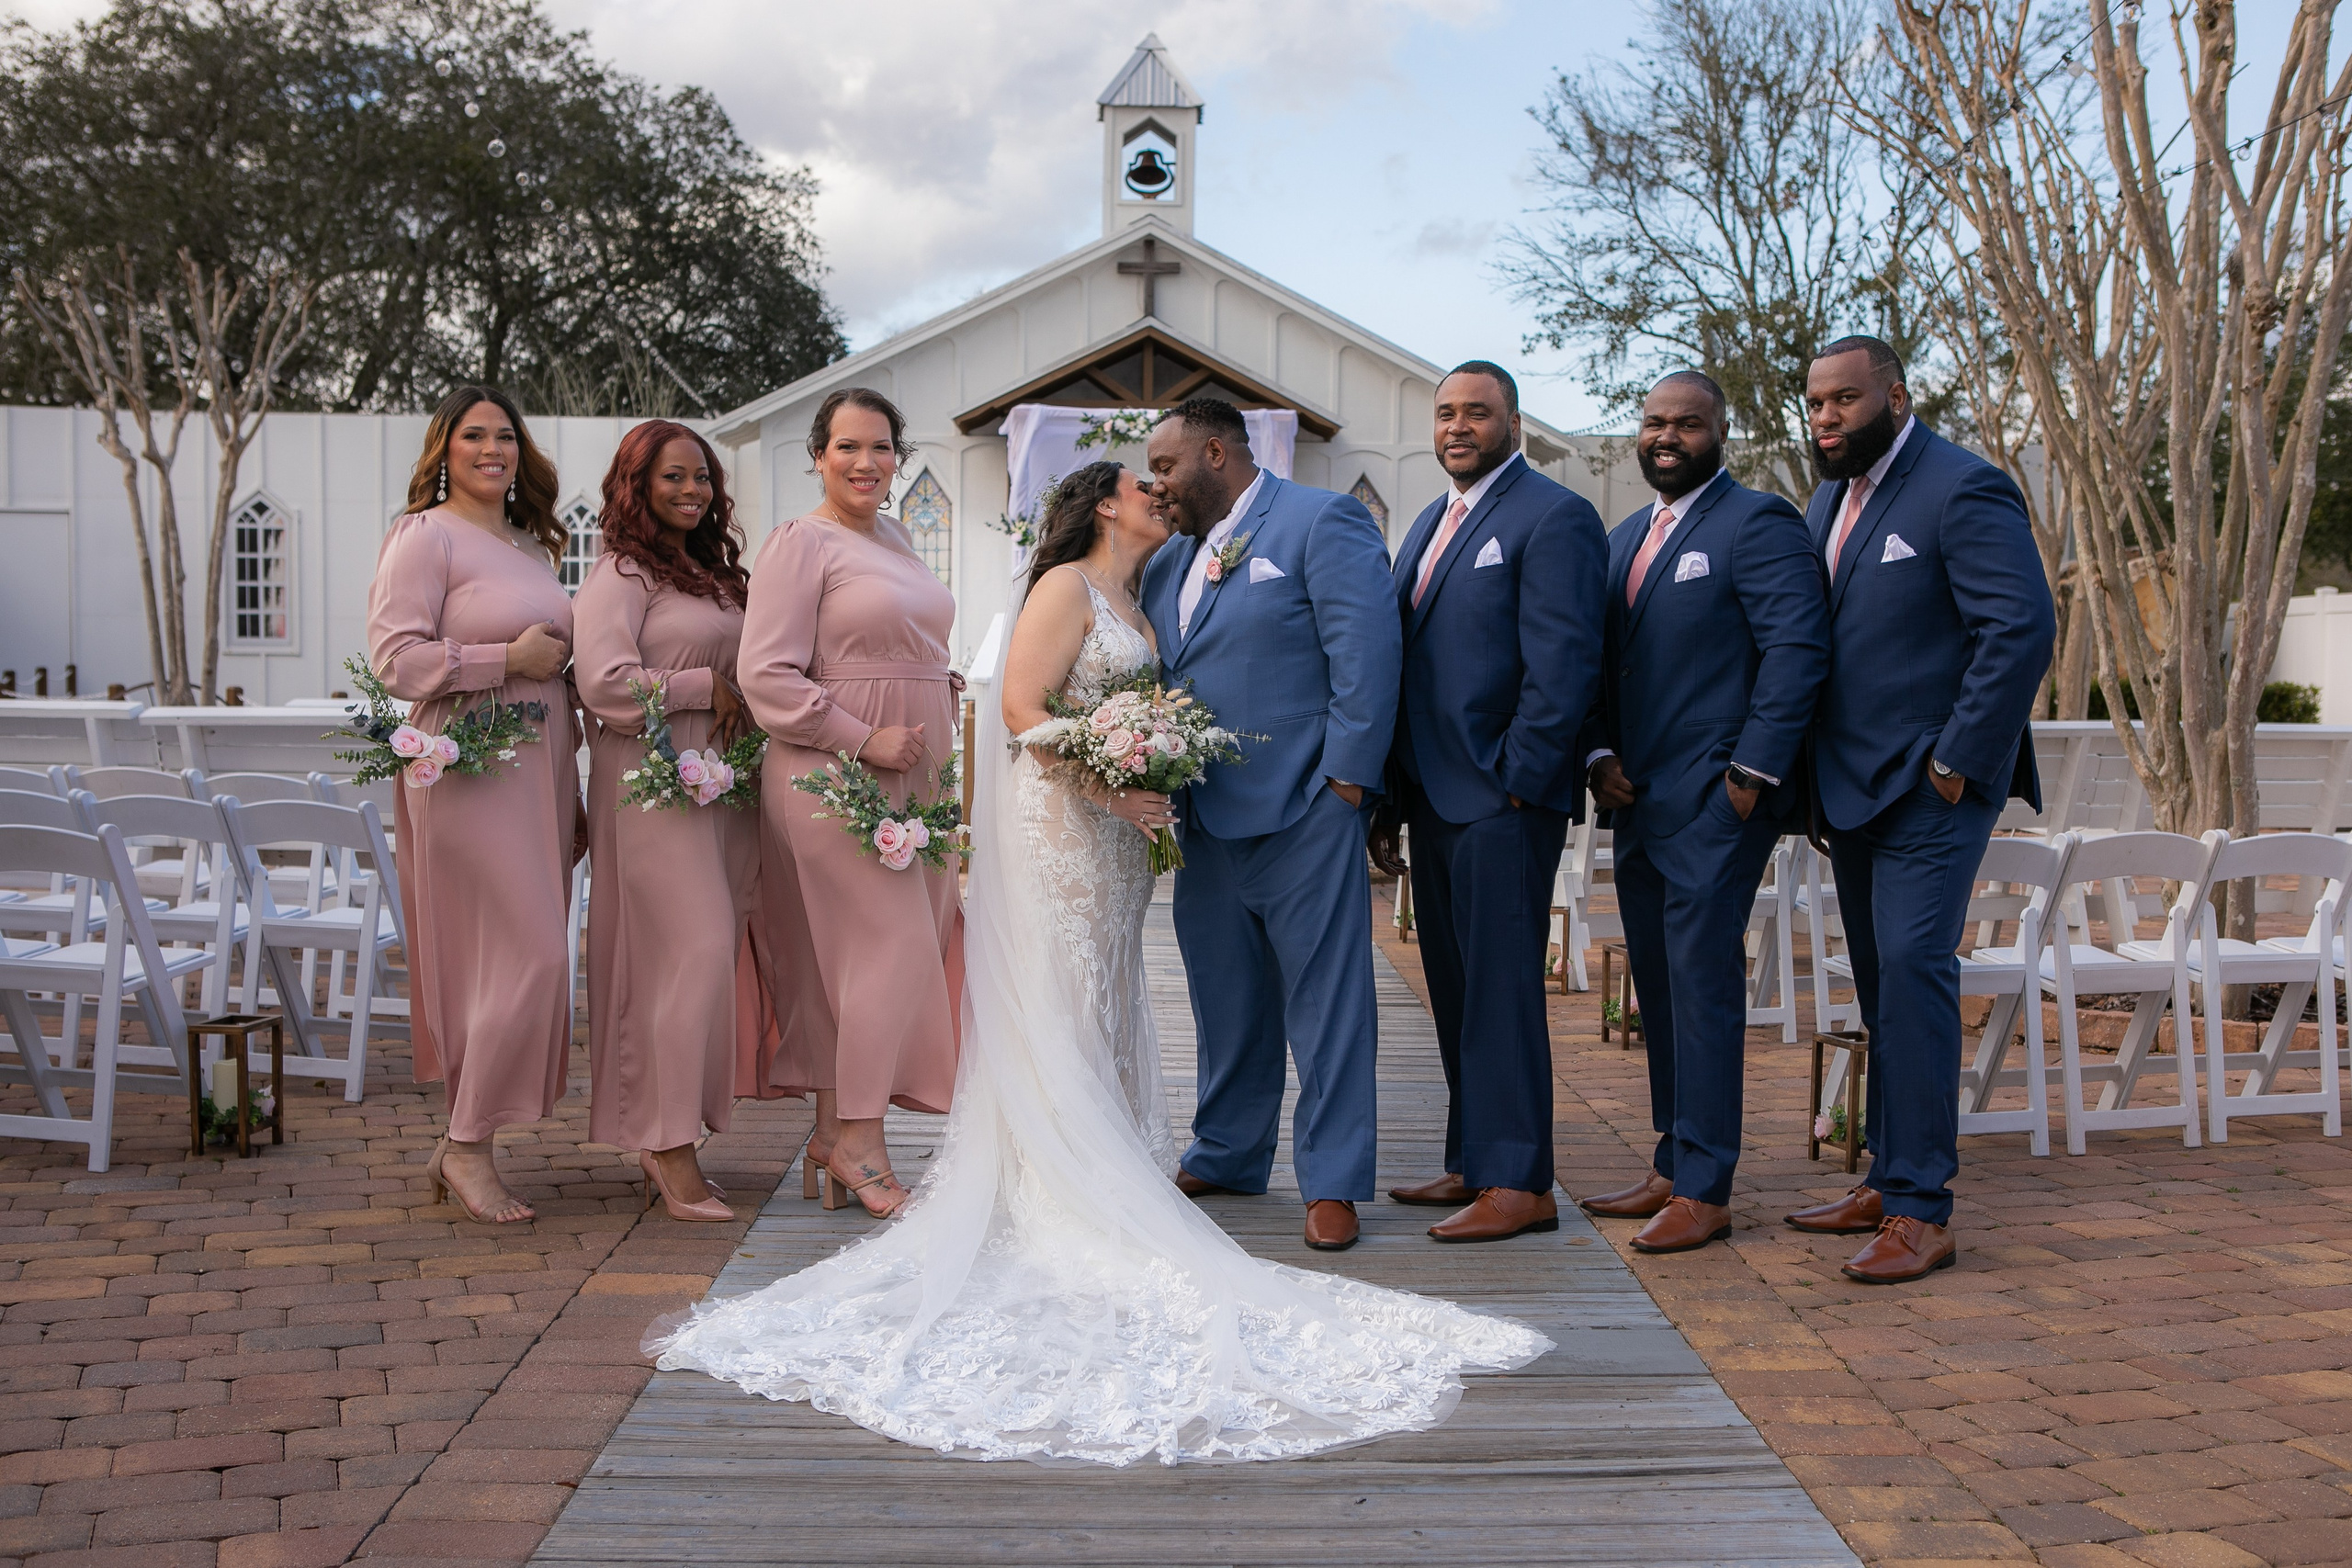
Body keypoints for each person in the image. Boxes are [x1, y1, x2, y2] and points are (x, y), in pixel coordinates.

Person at [646, 462, 1549, 1466]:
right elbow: (1022, 710)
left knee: (1109, 991)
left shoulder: (1145, 591)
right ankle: (1059, 1174)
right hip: (1067, 829)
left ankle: (1104, 1152)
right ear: (1105, 505)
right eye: (1141, 483)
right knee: (1062, 991)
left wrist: (1145, 770)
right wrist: (1113, 785)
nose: (1160, 492)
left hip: (1121, 842)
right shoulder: (1062, 586)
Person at [1788, 336, 2054, 1283]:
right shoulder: (1828, 500)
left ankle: (1921, 1209)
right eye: (1816, 403)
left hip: (1930, 787)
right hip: (1852, 787)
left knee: (1913, 970)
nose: (1826, 418)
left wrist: (1954, 761)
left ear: (1895, 398)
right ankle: (1884, 1174)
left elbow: (2019, 627)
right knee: (1879, 982)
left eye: (1844, 400)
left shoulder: (1963, 487)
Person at [1137, 398, 1402, 1253]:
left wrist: (1347, 785)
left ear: (1215, 453)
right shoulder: (1167, 561)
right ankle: (1228, 1149)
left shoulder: (1321, 522)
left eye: (1166, 466)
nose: (1155, 483)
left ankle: (1333, 1181)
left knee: (1328, 1003)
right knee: (1225, 996)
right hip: (1203, 817)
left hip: (1305, 808)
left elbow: (1367, 656)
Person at [1576, 371, 1830, 1254]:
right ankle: (1672, 1158)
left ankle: (1706, 1187)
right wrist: (1596, 753)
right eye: (1654, 422)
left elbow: (1796, 649)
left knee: (1703, 987)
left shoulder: (1757, 522)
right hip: (1636, 800)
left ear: (1720, 431)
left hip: (1719, 802)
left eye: (1687, 423)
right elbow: (1594, 661)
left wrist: (1749, 776)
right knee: (1658, 984)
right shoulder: (1622, 538)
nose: (1667, 436)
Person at [1369, 361, 1606, 1243]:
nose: (1457, 426)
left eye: (1477, 412)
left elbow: (1565, 663)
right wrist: (1394, 794)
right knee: (1457, 985)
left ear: (1515, 423)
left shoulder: (1554, 515)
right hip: (1433, 794)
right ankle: (1474, 1156)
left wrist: (1519, 777)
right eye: (1445, 413)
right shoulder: (1432, 521)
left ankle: (1520, 1181)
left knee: (1502, 989)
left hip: (1504, 798)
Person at [738, 388, 962, 1219]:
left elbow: (894, 638)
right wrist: (862, 737)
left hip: (917, 771)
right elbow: (765, 674)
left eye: (882, 447)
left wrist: (933, 678)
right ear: (818, 456)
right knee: (886, 950)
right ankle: (861, 1143)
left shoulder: (896, 538)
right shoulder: (800, 543)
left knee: (879, 951)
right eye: (848, 447)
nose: (867, 463)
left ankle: (835, 1131)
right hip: (835, 772)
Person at [367, 386, 578, 1225]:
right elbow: (395, 660)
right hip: (467, 761)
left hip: (542, 766)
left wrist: (575, 791)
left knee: (523, 953)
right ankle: (465, 1145)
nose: (493, 449)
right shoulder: (425, 535)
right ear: (443, 450)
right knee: (533, 953)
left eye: (505, 436)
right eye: (474, 436)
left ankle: (467, 1135)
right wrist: (505, 660)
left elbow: (556, 668)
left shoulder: (530, 546)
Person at [575, 420, 775, 1224]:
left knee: (708, 953)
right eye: (673, 477)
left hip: (724, 783)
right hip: (651, 778)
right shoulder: (621, 573)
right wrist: (700, 688)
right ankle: (664, 1141)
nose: (693, 490)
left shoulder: (714, 575)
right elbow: (602, 680)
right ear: (637, 484)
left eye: (702, 478)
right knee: (690, 948)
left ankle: (675, 1127)